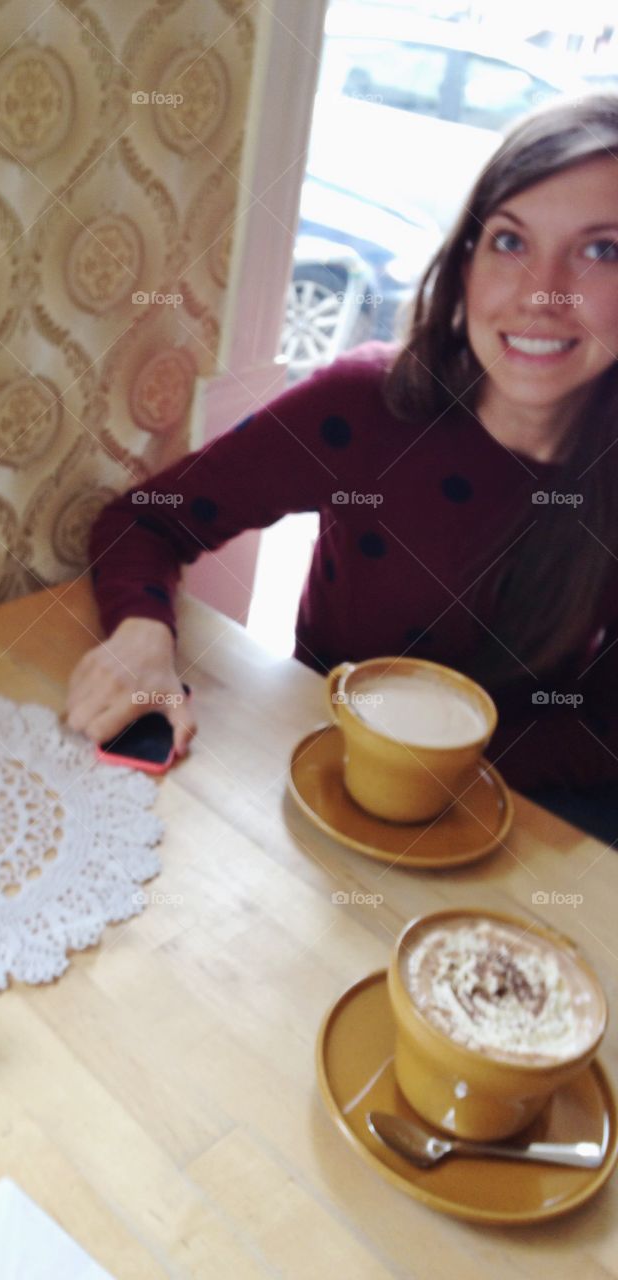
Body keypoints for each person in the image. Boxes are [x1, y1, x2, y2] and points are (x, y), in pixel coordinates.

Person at [66, 94, 618, 843]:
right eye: (510, 241)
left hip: (534, 836)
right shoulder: (366, 408)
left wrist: (455, 771)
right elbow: (146, 519)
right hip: (325, 810)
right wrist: (142, 634)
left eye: (601, 250)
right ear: (464, 263)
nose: (542, 294)